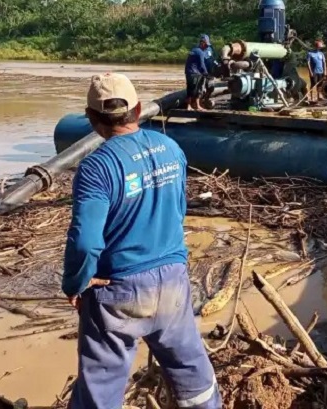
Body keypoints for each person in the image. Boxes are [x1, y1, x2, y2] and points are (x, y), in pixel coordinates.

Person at [63, 73, 221, 409]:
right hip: (173, 280)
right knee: (192, 374)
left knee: (101, 390)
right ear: (137, 110)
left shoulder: (96, 167)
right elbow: (178, 211)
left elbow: (84, 243)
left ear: (91, 119)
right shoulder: (170, 147)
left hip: (118, 289)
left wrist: (76, 282)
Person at [185, 34, 216, 111]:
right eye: (206, 44)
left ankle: (196, 105)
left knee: (192, 89)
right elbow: (202, 65)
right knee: (194, 90)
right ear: (202, 43)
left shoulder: (194, 50)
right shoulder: (200, 52)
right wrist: (206, 74)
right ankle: (189, 106)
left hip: (189, 72)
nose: (206, 46)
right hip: (194, 73)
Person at [306, 40, 327, 104]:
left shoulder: (321, 54)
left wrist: (325, 71)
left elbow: (324, 62)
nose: (319, 48)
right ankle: (311, 97)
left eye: (320, 47)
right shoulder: (310, 53)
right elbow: (308, 63)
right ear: (315, 46)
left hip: (321, 71)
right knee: (313, 84)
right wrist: (310, 72)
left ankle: (318, 96)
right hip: (314, 72)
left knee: (320, 85)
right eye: (318, 46)